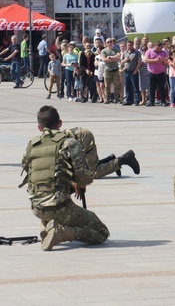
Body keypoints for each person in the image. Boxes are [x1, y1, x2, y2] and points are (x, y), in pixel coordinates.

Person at [20, 106, 110, 251]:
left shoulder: (31, 145)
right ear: (60, 123)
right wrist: (77, 182)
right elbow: (84, 177)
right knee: (101, 232)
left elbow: (28, 168)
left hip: (36, 207)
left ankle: (46, 224)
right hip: (59, 208)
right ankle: (62, 233)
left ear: (39, 127)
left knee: (53, 203)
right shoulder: (69, 143)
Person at [100, 38, 121, 104]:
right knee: (107, 86)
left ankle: (116, 98)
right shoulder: (104, 51)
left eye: (111, 41)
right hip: (107, 70)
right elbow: (104, 60)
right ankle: (107, 98)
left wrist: (110, 57)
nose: (109, 43)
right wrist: (114, 59)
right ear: (106, 43)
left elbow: (119, 57)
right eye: (108, 42)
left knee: (117, 85)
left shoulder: (116, 49)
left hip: (115, 69)